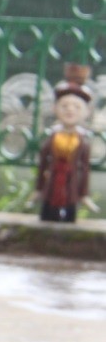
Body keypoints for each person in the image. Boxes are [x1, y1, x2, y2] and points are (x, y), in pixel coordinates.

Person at [32, 63, 99, 223]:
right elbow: (43, 164)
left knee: (70, 214)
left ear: (86, 111)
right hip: (52, 184)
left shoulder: (82, 141)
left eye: (76, 107)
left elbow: (85, 168)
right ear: (55, 108)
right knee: (47, 215)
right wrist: (39, 188)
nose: (70, 110)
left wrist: (83, 194)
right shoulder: (53, 136)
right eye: (65, 106)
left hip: (71, 185)